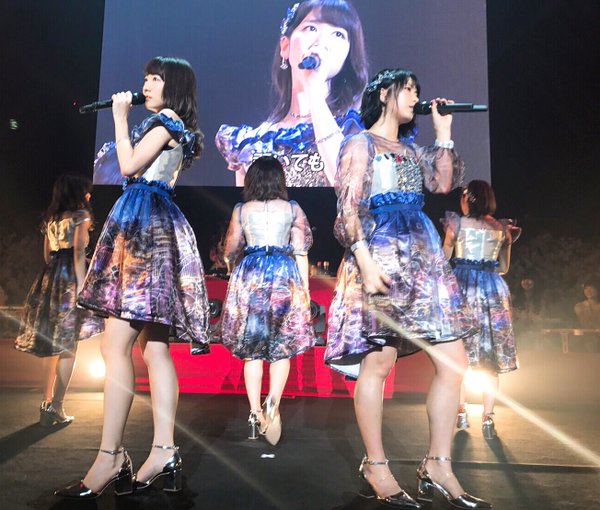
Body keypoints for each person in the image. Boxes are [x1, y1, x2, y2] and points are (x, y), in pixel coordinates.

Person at [325, 69, 490, 509]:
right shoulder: (360, 143)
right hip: (380, 256)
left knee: (454, 361)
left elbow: (443, 184)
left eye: (418, 90)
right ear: (385, 93)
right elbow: (348, 209)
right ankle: (376, 466)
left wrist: (444, 132)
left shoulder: (414, 150)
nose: (416, 97)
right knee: (378, 362)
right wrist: (363, 260)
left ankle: (438, 465)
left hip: (423, 260)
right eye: (409, 89)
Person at [55, 57, 209, 499]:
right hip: (148, 226)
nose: (146, 84)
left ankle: (111, 456)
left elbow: (127, 166)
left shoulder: (167, 119)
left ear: (174, 86)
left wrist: (120, 118)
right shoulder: (167, 122)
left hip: (145, 230)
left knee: (115, 346)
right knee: (154, 349)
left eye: (155, 78)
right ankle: (163, 452)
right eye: (146, 77)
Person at [216, 0, 368, 187]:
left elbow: (347, 185)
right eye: (311, 28)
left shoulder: (355, 128)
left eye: (338, 34)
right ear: (285, 46)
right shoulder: (254, 142)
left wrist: (313, 86)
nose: (322, 42)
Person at [217, 156, 315, 445]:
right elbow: (301, 252)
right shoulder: (292, 208)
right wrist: (304, 291)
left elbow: (230, 249)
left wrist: (232, 267)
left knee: (253, 349)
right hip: (283, 272)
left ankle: (255, 412)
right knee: (281, 347)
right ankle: (273, 401)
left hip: (252, 273)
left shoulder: (242, 209)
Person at [15, 173, 104, 426]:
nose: (89, 195)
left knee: (52, 345)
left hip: (49, 277)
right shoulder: (81, 216)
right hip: (69, 280)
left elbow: (46, 255)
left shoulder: (51, 219)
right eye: (86, 191)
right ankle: (57, 405)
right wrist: (82, 286)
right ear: (78, 193)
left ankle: (45, 403)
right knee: (67, 346)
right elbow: (78, 251)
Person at [442, 180, 520, 439]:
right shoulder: (502, 228)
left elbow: (443, 260)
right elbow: (504, 268)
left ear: (468, 199)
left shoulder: (456, 224)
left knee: (459, 353)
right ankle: (487, 416)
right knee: (490, 355)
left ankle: (461, 410)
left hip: (463, 287)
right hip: (491, 290)